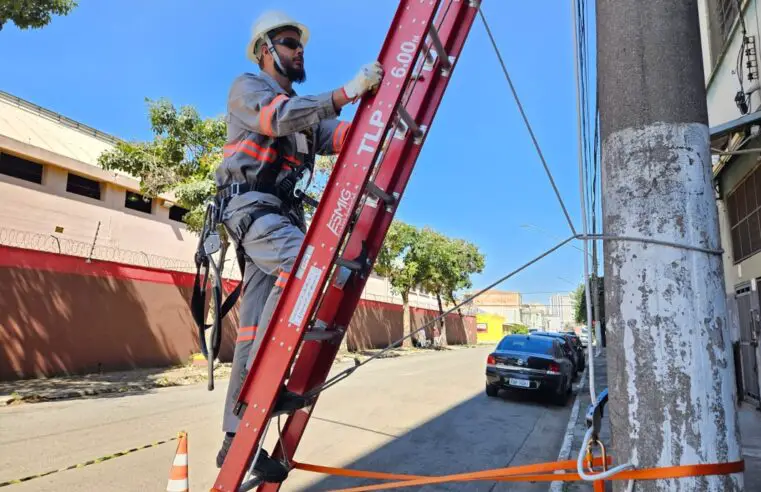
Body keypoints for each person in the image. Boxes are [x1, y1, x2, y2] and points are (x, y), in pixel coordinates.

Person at [213, 10, 384, 482]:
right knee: (305, 269)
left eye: (299, 44)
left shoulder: (305, 121)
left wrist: (380, 113)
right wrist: (346, 93)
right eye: (289, 43)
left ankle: (235, 442)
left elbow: (341, 135)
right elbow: (277, 119)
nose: (298, 50)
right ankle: (265, 383)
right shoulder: (248, 89)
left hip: (278, 216)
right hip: (252, 211)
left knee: (251, 330)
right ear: (265, 50)